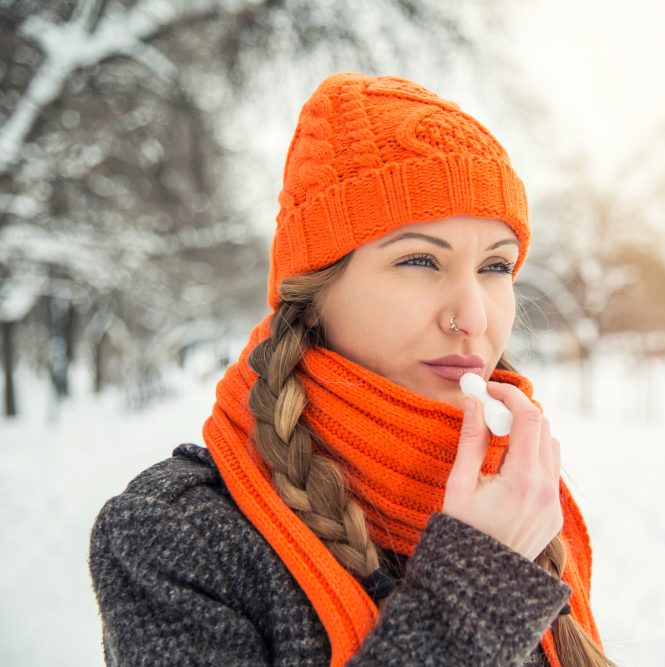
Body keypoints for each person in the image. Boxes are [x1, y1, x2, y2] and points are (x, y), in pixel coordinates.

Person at [89, 71, 614, 667]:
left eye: (496, 266)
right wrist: (473, 592)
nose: (472, 316)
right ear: (313, 293)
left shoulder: (525, 498)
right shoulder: (178, 538)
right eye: (420, 260)